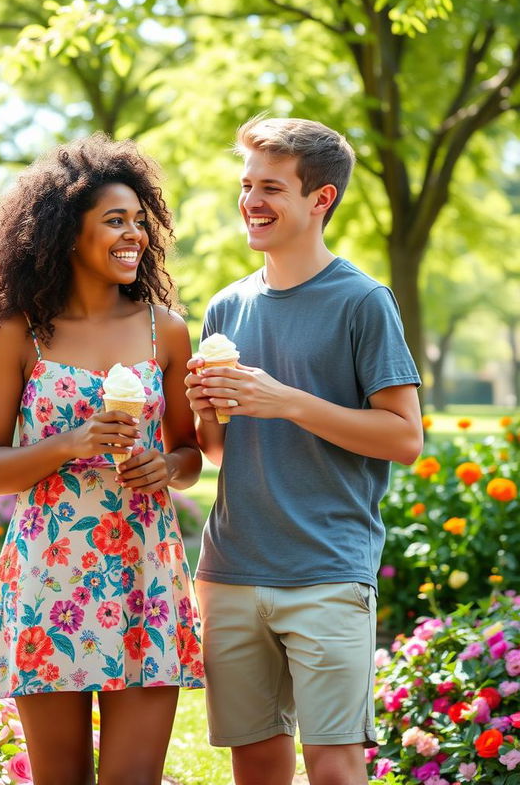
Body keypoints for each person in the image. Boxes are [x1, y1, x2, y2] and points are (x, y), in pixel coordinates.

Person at [185, 115, 423, 785]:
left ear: (321, 199)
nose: (250, 202)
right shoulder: (226, 308)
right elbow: (220, 453)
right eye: (246, 184)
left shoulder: (362, 301)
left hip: (326, 569)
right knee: (257, 766)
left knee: (335, 767)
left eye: (271, 188)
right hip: (231, 571)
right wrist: (207, 413)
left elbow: (405, 437)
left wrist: (286, 400)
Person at [0, 134, 204, 785]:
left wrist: (170, 467)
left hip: (144, 575)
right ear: (66, 232)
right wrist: (70, 444)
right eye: (115, 221)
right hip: (50, 581)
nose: (135, 235)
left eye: (139, 222)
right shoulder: (18, 332)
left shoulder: (168, 329)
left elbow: (189, 453)